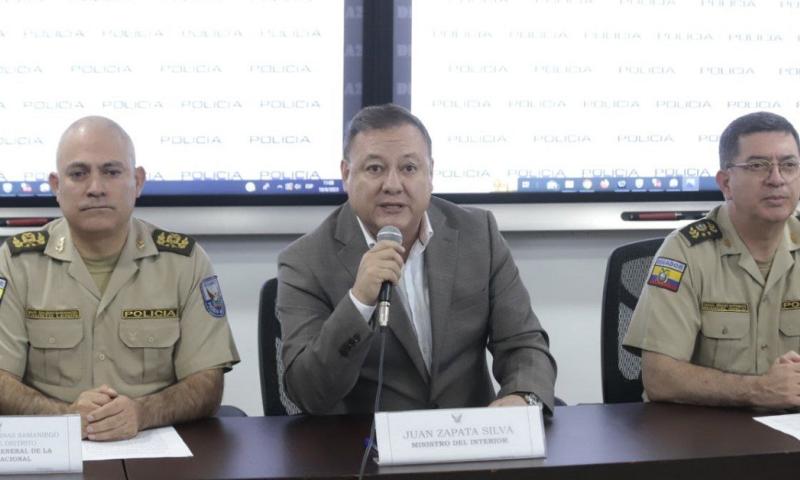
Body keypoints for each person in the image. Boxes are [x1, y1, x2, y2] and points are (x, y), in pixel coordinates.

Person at [277, 104, 556, 414]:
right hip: (366, 450)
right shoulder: (305, 261)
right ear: (346, 174)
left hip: (469, 443)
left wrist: (523, 396)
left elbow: (523, 342)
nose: (393, 185)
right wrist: (359, 302)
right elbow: (307, 392)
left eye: (409, 168)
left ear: (430, 173)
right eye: (374, 169)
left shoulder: (479, 234)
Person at [0, 116, 240, 440]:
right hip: (53, 447)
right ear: (56, 186)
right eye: (78, 173)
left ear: (138, 181)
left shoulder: (184, 261)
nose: (96, 188)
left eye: (112, 172)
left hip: (157, 445)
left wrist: (142, 412)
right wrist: (66, 418)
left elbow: (207, 382)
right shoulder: (16, 262)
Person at [624, 111, 800, 409]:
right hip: (707, 438)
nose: (776, 179)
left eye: (789, 165)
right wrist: (758, 389)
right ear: (726, 182)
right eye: (758, 165)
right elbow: (660, 378)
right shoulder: (684, 252)